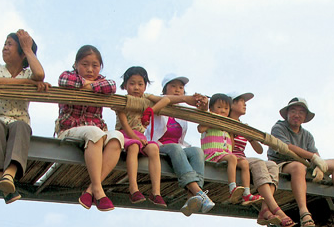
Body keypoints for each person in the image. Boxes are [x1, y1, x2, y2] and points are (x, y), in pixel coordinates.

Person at [267, 97, 334, 227]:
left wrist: (319, 165)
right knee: (298, 167)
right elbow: (287, 147)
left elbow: (315, 153)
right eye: (293, 111)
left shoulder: (307, 135)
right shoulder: (279, 127)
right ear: (287, 113)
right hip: (281, 165)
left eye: (301, 112)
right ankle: (304, 211)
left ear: (305, 116)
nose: (297, 115)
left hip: (304, 165)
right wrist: (313, 158)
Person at [0, 29, 50, 204]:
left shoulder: (29, 73)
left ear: (23, 53)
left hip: (18, 120)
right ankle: (2, 177)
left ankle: (7, 176)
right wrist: (27, 84)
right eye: (5, 44)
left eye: (10, 44)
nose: (5, 48)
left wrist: (28, 48)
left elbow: (40, 75)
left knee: (21, 127)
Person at [56, 45, 124, 212]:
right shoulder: (68, 76)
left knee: (117, 137)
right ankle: (99, 191)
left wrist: (86, 86)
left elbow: (111, 86)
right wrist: (94, 86)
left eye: (95, 65)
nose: (89, 69)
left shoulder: (103, 81)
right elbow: (65, 81)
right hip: (70, 131)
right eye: (85, 64)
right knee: (95, 132)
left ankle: (90, 190)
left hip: (96, 135)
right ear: (76, 64)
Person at [146, 73, 215, 216]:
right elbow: (163, 100)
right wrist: (184, 98)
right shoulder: (156, 101)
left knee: (197, 151)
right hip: (157, 145)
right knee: (175, 147)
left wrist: (203, 105)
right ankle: (201, 194)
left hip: (177, 148)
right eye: (173, 86)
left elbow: (202, 116)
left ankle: (192, 198)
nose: (178, 89)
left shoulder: (183, 110)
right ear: (164, 89)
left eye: (181, 87)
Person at [229, 92, 295, 227]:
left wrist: (249, 136)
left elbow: (259, 150)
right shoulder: (224, 122)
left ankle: (265, 208)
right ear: (231, 104)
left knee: (272, 165)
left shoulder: (243, 125)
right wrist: (233, 132)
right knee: (259, 163)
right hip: (230, 158)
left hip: (242, 158)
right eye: (241, 101)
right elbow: (228, 147)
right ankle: (276, 209)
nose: (245, 104)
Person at [116, 66, 172, 207]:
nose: (136, 87)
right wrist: (136, 137)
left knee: (154, 148)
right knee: (134, 146)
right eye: (132, 83)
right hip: (126, 135)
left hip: (141, 137)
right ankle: (133, 188)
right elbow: (125, 125)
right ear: (125, 86)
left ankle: (156, 192)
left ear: (145, 86)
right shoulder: (122, 101)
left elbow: (166, 100)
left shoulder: (146, 98)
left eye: (140, 84)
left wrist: (150, 110)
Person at [198, 93, 263, 206]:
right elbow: (200, 128)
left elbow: (231, 146)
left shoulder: (227, 125)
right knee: (233, 157)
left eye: (225, 108)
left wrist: (233, 132)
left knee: (244, 163)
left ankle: (247, 193)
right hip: (212, 154)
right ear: (211, 109)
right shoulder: (210, 119)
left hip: (224, 154)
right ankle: (232, 187)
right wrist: (212, 119)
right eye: (219, 107)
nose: (223, 110)